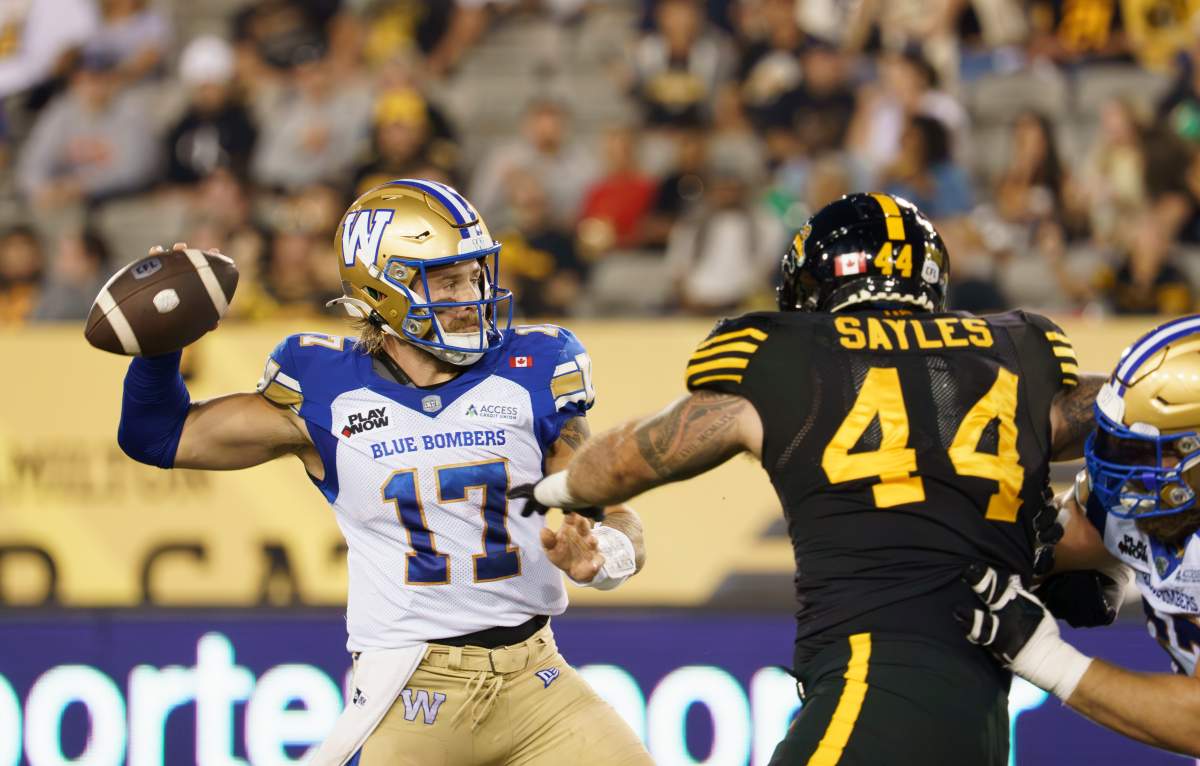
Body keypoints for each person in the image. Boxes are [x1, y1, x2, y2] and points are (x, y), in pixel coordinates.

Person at [511, 192, 1103, 765]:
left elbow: (622, 463)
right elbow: (1140, 414)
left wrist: (552, 490)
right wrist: (1099, 529)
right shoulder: (1014, 353)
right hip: (979, 706)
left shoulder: (788, 353)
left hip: (876, 677)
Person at [114, 179, 653, 766]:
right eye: (448, 279)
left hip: (537, 681)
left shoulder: (535, 365)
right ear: (386, 287)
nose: (471, 292)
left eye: (475, 274)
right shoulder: (324, 388)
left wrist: (604, 554)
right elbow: (159, 437)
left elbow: (611, 507)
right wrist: (160, 348)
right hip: (411, 690)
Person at [959, 314, 1200, 758]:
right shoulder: (1153, 500)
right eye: (1111, 441)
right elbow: (1037, 546)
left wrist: (1044, 658)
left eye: (1141, 452)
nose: (1115, 465)